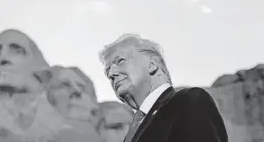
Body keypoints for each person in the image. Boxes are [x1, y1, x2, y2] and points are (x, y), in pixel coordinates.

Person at [98, 33, 228, 142]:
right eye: (107, 71)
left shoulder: (189, 101)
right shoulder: (131, 134)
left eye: (120, 61)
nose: (111, 74)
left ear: (152, 64)